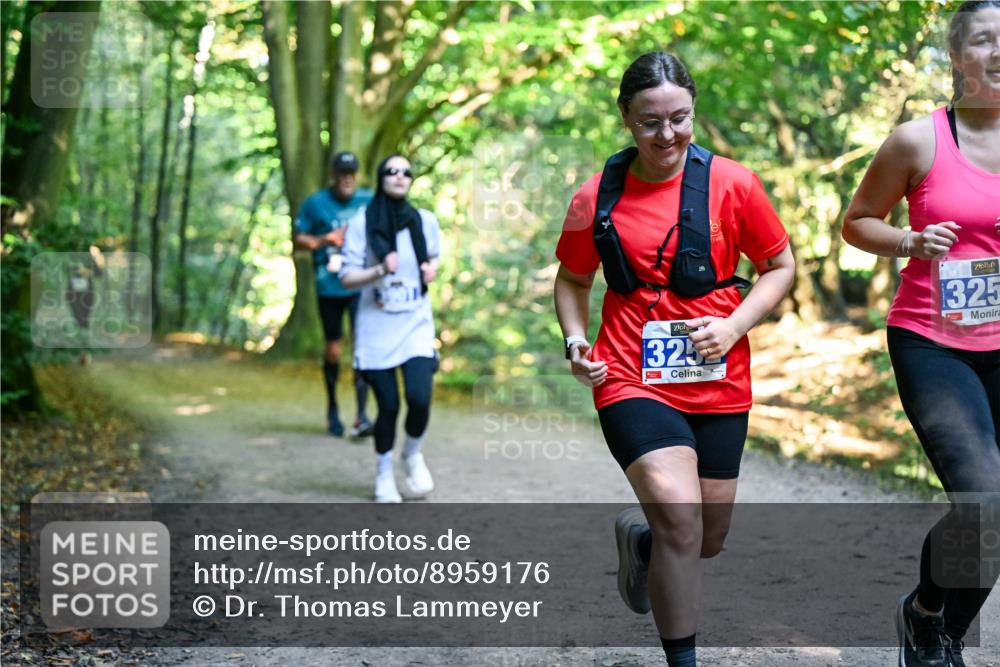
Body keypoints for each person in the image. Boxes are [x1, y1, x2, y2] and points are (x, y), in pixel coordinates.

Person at [553, 52, 794, 666]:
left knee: (707, 538)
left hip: (718, 378)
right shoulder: (595, 197)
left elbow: (780, 268)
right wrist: (576, 342)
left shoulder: (734, 184)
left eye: (679, 119)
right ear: (626, 120)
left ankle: (641, 542)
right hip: (630, 376)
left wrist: (735, 325)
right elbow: (573, 279)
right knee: (682, 525)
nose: (667, 136)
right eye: (650, 123)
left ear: (693, 109)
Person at [843, 3, 1000, 666]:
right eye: (985, 40)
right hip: (934, 343)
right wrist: (909, 239)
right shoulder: (918, 141)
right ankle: (926, 611)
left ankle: (943, 629)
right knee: (985, 496)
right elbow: (857, 222)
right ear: (957, 57)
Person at [340, 154, 441, 503]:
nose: (399, 176)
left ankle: (411, 454)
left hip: (415, 323)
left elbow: (434, 258)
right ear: (381, 178)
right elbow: (348, 277)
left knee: (419, 398)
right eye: (391, 171)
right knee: (388, 406)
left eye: (406, 172)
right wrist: (380, 270)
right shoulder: (361, 223)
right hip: (376, 327)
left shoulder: (424, 220)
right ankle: (384, 473)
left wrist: (432, 270)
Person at [293, 151, 374, 438]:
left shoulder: (369, 200)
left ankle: (362, 416)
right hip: (329, 285)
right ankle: (332, 410)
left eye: (351, 173)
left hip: (360, 284)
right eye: (342, 173)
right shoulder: (315, 204)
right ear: (333, 175)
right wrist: (324, 240)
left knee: (362, 348)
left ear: (358, 175)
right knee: (335, 349)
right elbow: (299, 239)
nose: (347, 178)